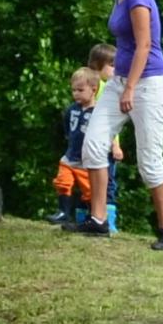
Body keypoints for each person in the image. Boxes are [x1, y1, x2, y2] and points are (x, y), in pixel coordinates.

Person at [96, 0, 163, 249]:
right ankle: (98, 220)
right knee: (93, 144)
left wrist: (129, 87)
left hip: (147, 85)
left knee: (150, 162)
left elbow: (144, 45)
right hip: (119, 80)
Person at [58, 44, 120, 235]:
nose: (116, 70)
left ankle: (101, 219)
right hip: (97, 146)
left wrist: (115, 144)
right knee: (97, 184)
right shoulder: (101, 87)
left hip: (103, 144)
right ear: (99, 65)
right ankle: (95, 218)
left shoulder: (106, 87)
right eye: (112, 65)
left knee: (98, 184)